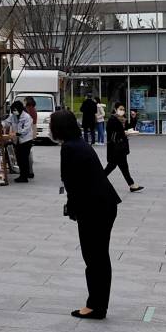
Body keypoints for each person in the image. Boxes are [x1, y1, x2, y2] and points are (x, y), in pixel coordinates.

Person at [50, 109, 122, 319]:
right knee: (99, 256)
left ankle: (96, 306)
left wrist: (72, 209)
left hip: (95, 208)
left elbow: (71, 182)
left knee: (94, 257)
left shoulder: (70, 148)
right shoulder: (79, 143)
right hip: (103, 205)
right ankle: (98, 304)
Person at [103, 103, 144, 193]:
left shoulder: (122, 119)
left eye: (123, 109)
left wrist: (133, 118)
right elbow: (113, 133)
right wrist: (125, 133)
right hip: (115, 148)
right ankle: (97, 180)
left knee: (122, 167)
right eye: (120, 109)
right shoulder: (112, 120)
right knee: (113, 166)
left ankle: (132, 185)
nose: (122, 111)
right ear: (115, 109)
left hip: (120, 148)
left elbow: (129, 127)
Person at [5, 100, 33, 182]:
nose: (14, 112)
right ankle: (24, 174)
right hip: (18, 140)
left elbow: (26, 130)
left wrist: (16, 134)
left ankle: (24, 177)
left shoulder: (27, 117)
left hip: (26, 140)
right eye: (13, 110)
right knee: (20, 158)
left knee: (23, 158)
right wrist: (1, 124)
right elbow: (7, 122)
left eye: (15, 110)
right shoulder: (13, 116)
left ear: (20, 109)